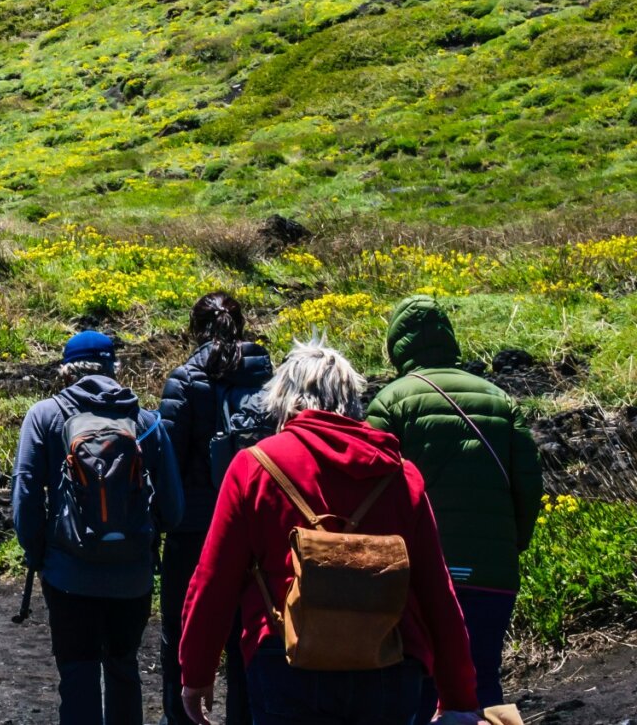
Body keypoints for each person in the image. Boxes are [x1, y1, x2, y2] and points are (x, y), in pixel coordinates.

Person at [179, 341, 480, 725]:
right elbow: (437, 592)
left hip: (288, 664)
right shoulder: (401, 475)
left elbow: (214, 580)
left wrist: (197, 673)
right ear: (353, 400)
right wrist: (458, 695)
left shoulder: (254, 467)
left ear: (283, 401)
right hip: (389, 666)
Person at [366, 297, 542, 723]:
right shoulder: (500, 399)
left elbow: (371, 489)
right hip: (492, 574)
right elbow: (529, 486)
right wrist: (509, 546)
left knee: (419, 682)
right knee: (483, 681)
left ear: (397, 345)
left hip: (418, 576)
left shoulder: (390, 402)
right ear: (449, 339)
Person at [11, 329, 183, 725]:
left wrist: (38, 553)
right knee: (123, 670)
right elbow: (173, 510)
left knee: (78, 674)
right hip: (133, 578)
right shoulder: (147, 421)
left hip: (67, 574)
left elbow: (25, 496)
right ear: (113, 367)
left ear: (67, 370)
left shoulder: (45, 416)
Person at [157, 293, 274, 725]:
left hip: (194, 530)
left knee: (182, 636)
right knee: (246, 640)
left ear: (195, 328)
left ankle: (183, 719)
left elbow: (166, 461)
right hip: (254, 531)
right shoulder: (268, 376)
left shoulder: (185, 379)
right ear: (241, 325)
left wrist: (161, 526)